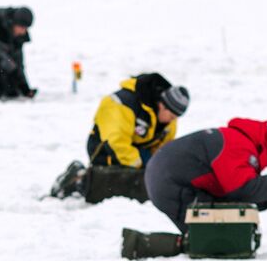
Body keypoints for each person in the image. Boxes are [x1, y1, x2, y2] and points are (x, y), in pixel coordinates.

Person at [142, 118, 267, 238]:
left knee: (205, 239)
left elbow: (230, 195)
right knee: (210, 240)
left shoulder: (240, 142)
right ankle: (142, 246)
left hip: (165, 179)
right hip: (171, 183)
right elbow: (239, 190)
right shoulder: (239, 146)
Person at [49, 74, 190, 204]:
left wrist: (158, 168)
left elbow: (162, 149)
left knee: (149, 183)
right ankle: (80, 179)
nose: (173, 121)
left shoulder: (168, 118)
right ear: (162, 105)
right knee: (127, 185)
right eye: (171, 117)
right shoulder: (123, 103)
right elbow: (116, 143)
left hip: (138, 152)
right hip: (105, 150)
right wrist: (142, 166)